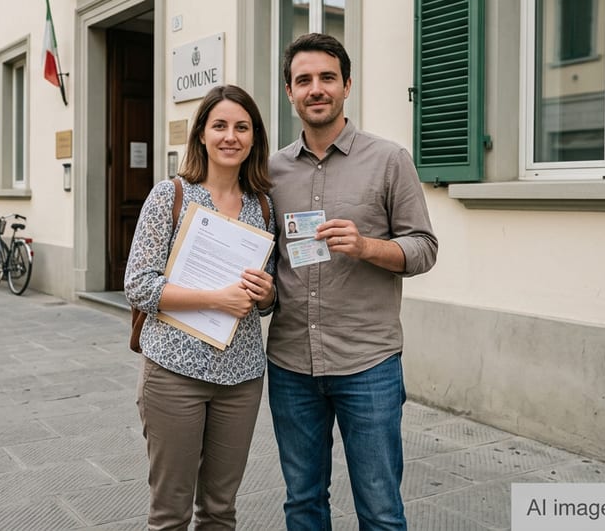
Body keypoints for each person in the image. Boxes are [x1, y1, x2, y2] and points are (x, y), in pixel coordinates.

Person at [267, 33, 438, 530]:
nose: (315, 88)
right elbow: (267, 261)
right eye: (303, 80)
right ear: (289, 92)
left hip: (369, 364)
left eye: (326, 78)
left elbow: (424, 248)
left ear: (347, 85)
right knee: (302, 503)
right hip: (291, 363)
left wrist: (365, 246)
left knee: (381, 510)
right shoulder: (270, 170)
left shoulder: (389, 160)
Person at [124, 84, 277, 531]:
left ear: (254, 138)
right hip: (174, 373)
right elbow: (137, 286)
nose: (231, 136)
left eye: (242, 127)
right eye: (220, 126)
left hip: (241, 378)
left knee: (220, 511)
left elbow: (268, 300)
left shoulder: (263, 207)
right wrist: (215, 298)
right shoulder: (169, 196)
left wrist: (267, 295)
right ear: (202, 136)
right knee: (170, 514)